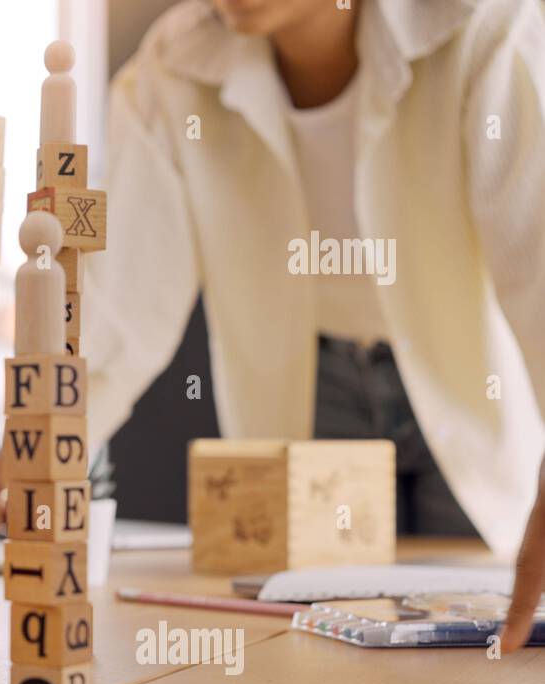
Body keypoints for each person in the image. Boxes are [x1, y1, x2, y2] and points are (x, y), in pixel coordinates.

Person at [49, 0, 545, 555]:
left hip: (462, 379)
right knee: (315, 611)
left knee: (475, 605)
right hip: (313, 379)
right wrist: (46, 441)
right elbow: (125, 301)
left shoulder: (485, 25)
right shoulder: (171, 69)